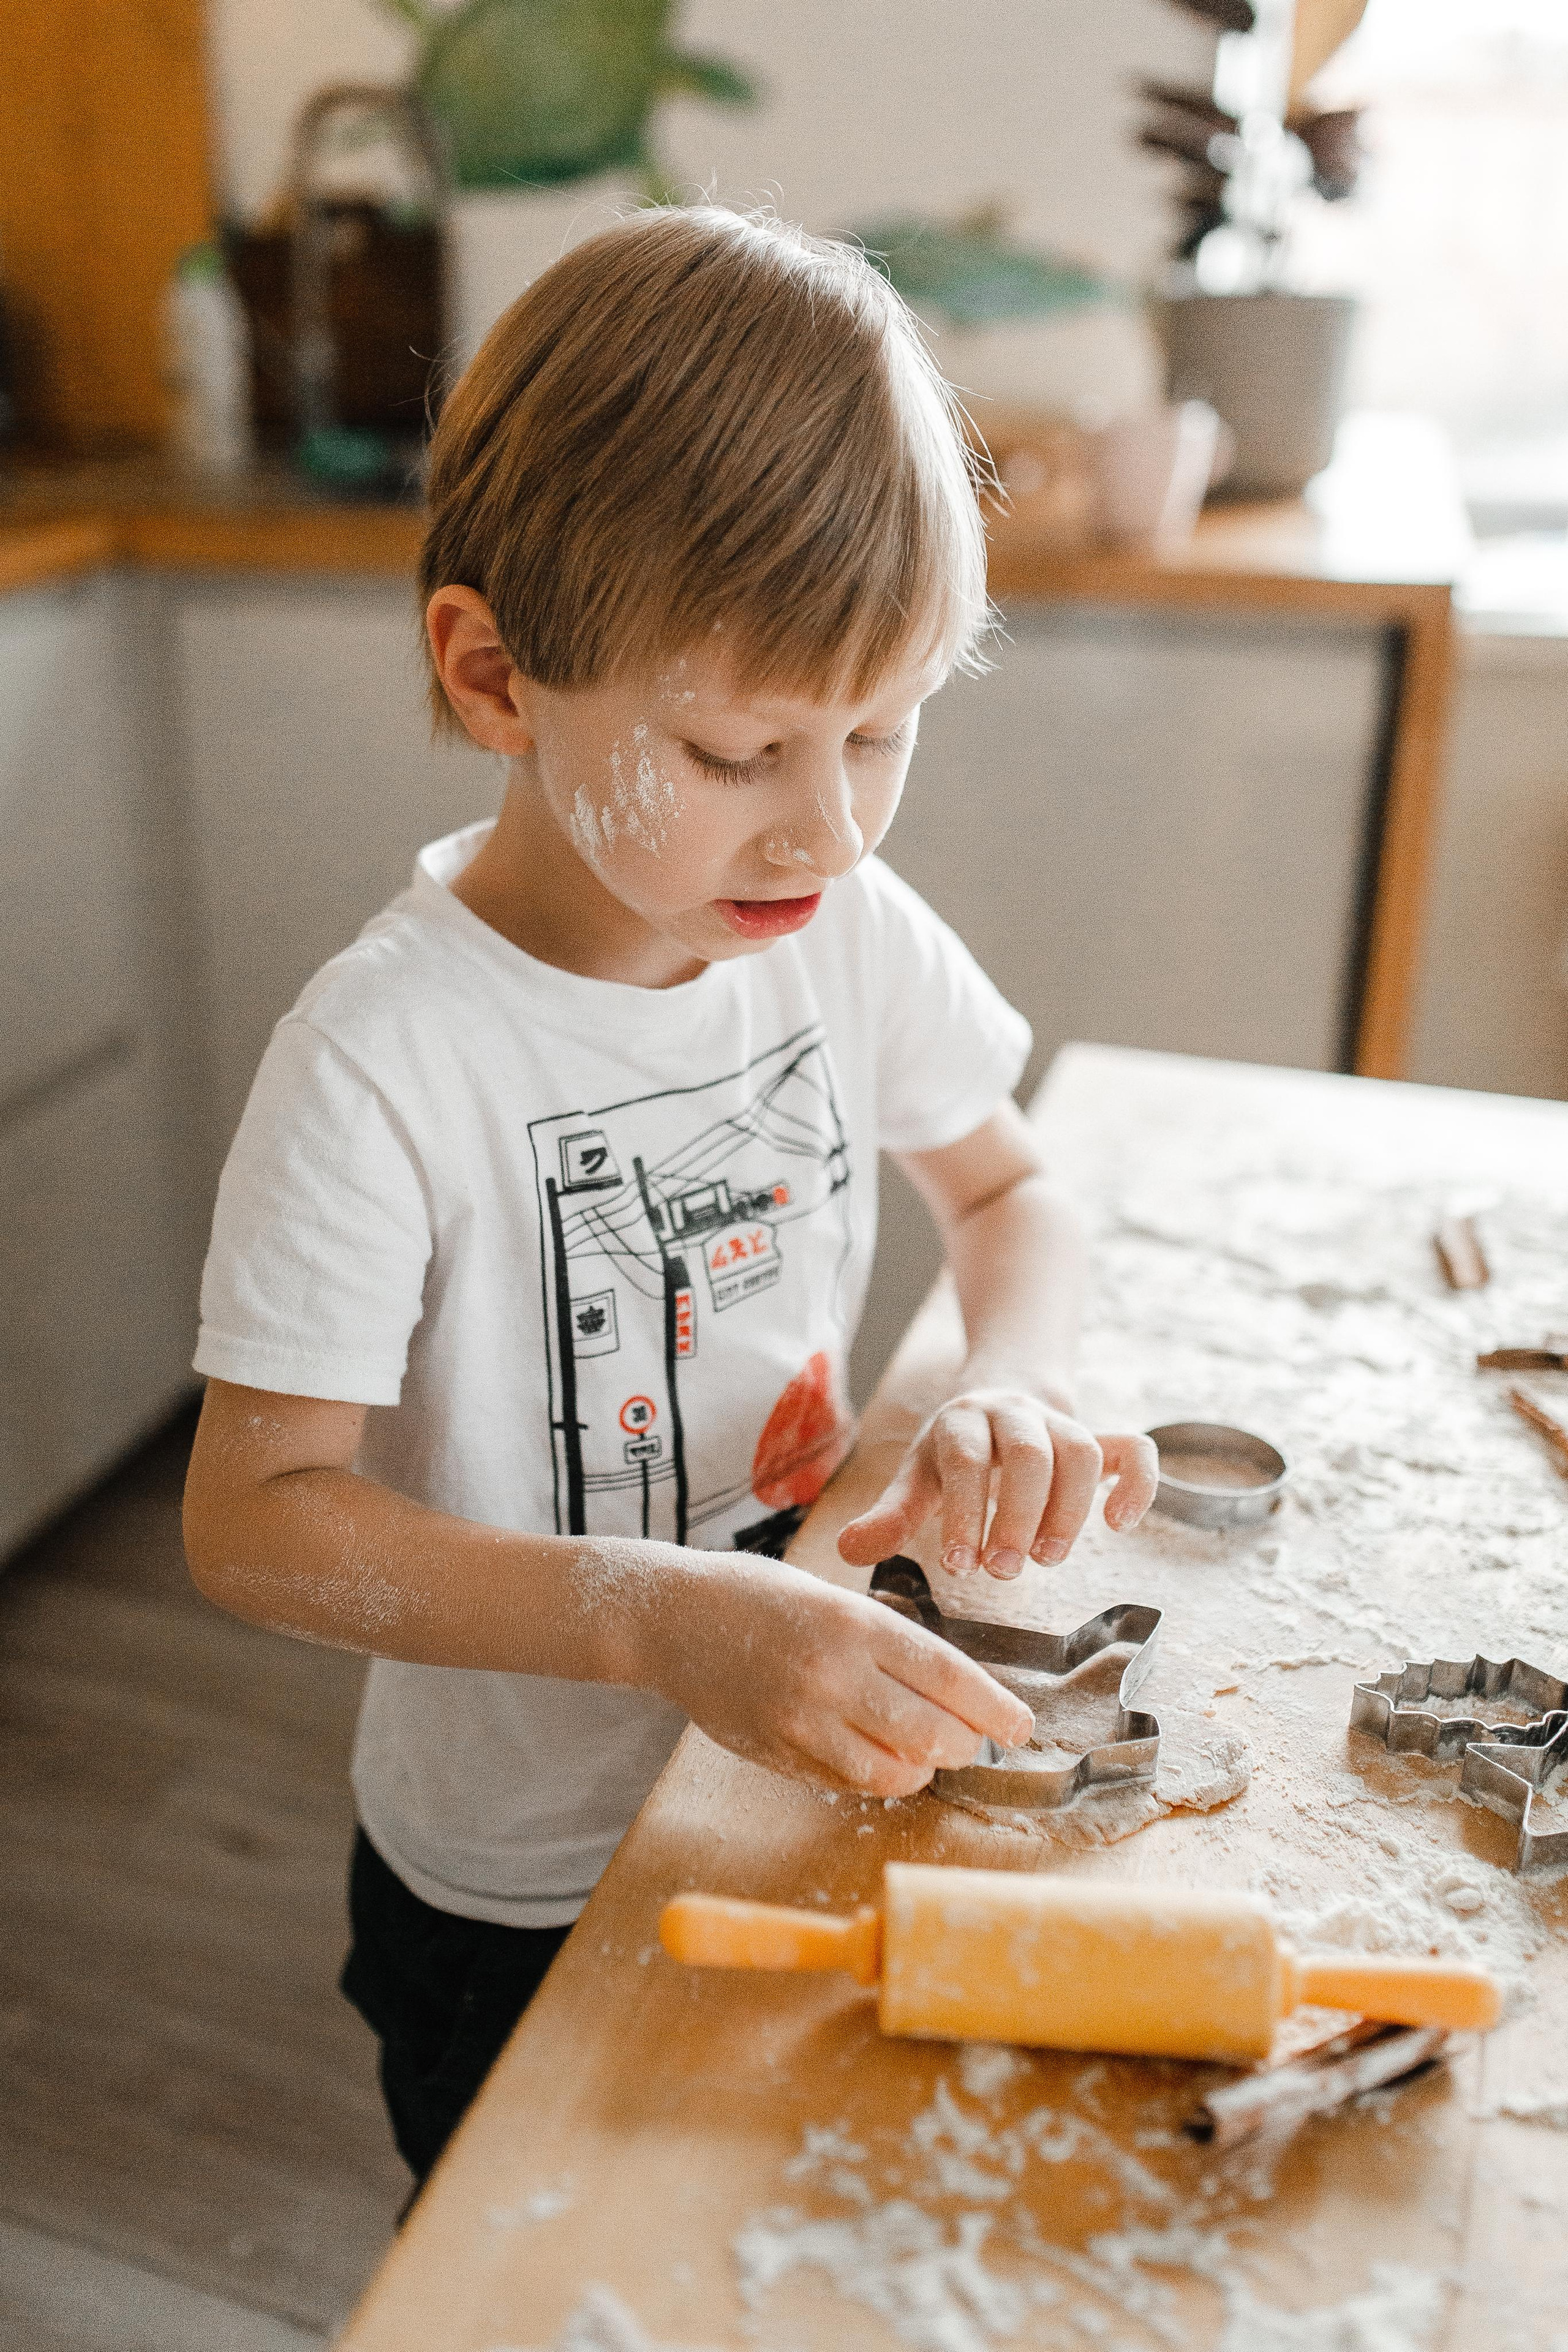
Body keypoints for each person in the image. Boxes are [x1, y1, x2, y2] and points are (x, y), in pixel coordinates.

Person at [182, 206, 1159, 2193]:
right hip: (516, 1881)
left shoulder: (838, 927)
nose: (829, 826)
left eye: (879, 733)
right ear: (496, 676)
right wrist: (652, 1619)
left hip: (789, 1786)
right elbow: (255, 1520)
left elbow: (1013, 1193)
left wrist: (1016, 1380)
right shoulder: (388, 1057)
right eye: (738, 750)